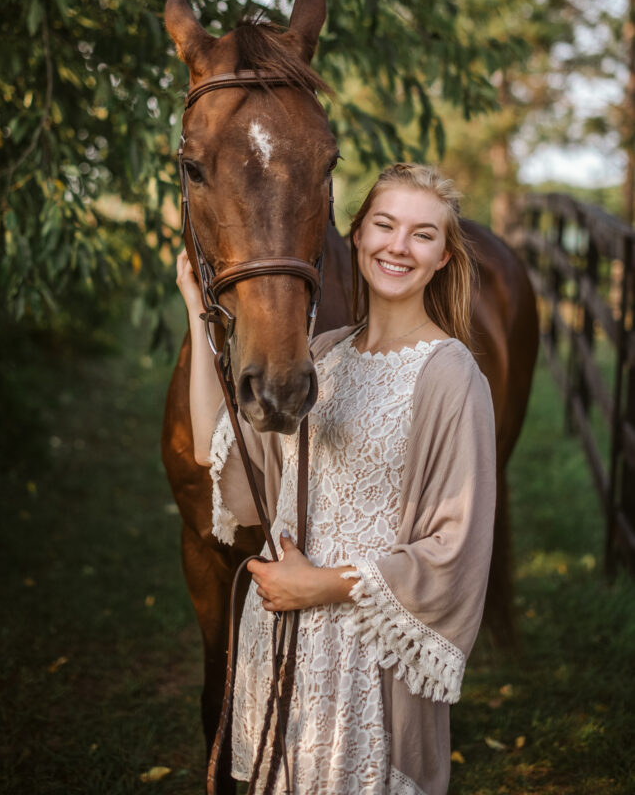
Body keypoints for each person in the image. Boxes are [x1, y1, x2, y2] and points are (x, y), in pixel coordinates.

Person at [176, 162, 497, 795]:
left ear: (442, 258)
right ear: (356, 236)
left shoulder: (450, 375)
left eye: (423, 234)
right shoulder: (322, 355)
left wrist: (318, 585)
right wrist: (196, 309)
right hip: (283, 640)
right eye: (385, 224)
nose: (399, 246)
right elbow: (224, 453)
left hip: (366, 657)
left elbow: (454, 551)